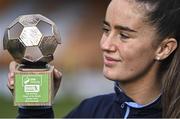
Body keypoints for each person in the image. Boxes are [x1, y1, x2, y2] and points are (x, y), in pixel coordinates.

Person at [7, 0, 180, 118]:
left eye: (124, 35)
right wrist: (35, 107)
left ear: (164, 49)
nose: (105, 44)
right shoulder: (91, 110)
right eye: (106, 30)